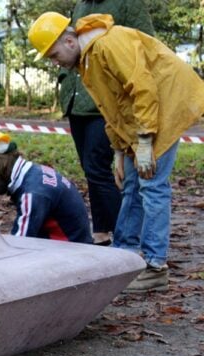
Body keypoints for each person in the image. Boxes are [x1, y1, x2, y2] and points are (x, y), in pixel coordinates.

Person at [28, 12, 204, 291]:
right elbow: (113, 109)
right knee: (133, 183)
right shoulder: (88, 60)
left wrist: (145, 139)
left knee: (153, 185)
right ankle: (125, 251)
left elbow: (143, 89)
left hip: (166, 105)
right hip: (143, 117)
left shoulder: (109, 44)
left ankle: (156, 265)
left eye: (53, 54)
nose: (54, 62)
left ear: (70, 40)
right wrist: (121, 152)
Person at [58, 0, 154, 247]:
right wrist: (65, 78)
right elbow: (69, 45)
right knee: (90, 168)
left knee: (97, 166)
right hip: (76, 101)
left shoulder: (126, 4)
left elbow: (145, 44)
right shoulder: (80, 6)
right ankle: (101, 231)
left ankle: (125, 236)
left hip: (105, 100)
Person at [0, 129, 92, 244]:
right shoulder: (34, 172)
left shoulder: (31, 194)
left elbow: (19, 245)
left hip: (68, 254)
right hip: (73, 243)